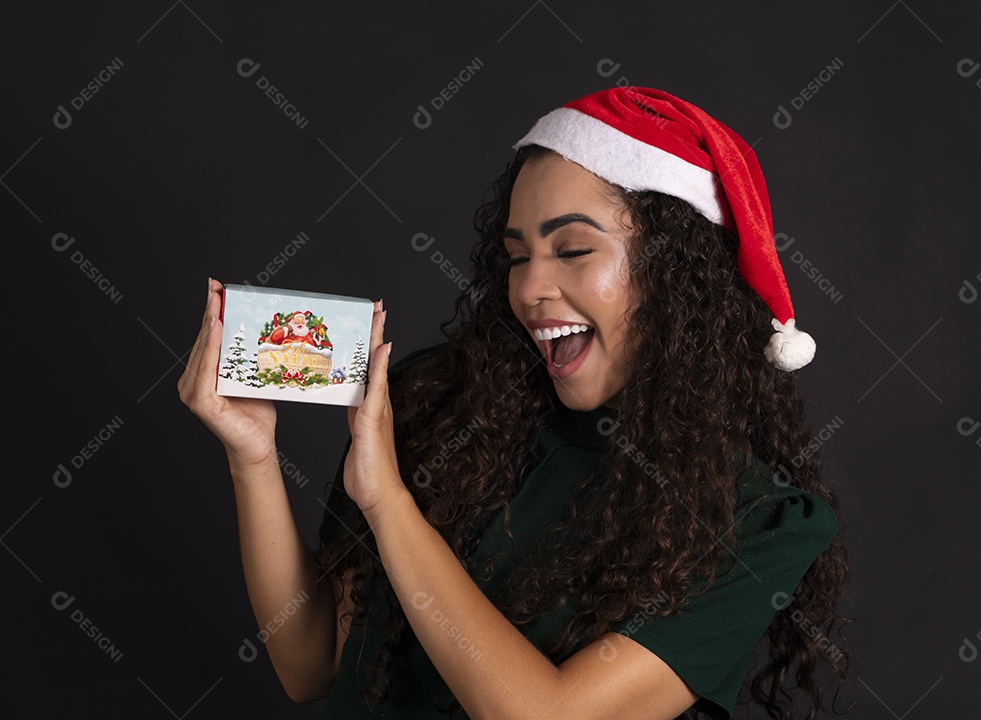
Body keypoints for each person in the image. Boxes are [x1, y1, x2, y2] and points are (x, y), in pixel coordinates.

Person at [179, 86, 850, 720]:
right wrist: (253, 457)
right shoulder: (438, 406)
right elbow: (309, 663)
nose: (529, 289)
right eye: (517, 256)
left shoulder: (762, 518)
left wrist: (388, 502)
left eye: (573, 249)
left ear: (677, 273)